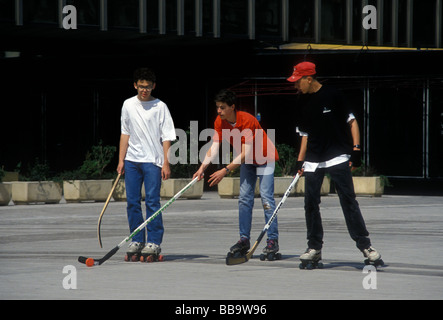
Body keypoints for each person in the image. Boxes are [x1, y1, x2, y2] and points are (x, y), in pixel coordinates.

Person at [287, 61, 383, 267]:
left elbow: (352, 121)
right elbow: (304, 135)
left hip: (337, 155)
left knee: (348, 201)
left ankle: (366, 246)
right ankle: (314, 248)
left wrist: (356, 150)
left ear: (309, 78)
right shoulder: (300, 102)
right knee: (310, 204)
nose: (295, 86)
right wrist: (299, 161)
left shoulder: (334, 95)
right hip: (313, 158)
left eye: (298, 81)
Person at [193, 89, 280, 259]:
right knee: (244, 199)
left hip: (265, 157)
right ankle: (244, 239)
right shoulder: (220, 121)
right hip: (247, 161)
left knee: (266, 198)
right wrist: (202, 167)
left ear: (232, 107)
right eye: (217, 107)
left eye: (222, 107)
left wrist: (225, 170)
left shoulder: (247, 120)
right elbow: (214, 146)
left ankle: (272, 240)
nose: (219, 111)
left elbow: (246, 153)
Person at [117, 67, 176, 261]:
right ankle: (136, 239)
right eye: (141, 87)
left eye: (148, 87)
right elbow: (125, 133)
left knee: (152, 202)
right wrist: (121, 160)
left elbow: (167, 136)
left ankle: (154, 241)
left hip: (153, 161)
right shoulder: (128, 104)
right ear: (135, 85)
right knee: (132, 202)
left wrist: (166, 163)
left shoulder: (160, 107)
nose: (144, 90)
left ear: (154, 86)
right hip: (132, 160)